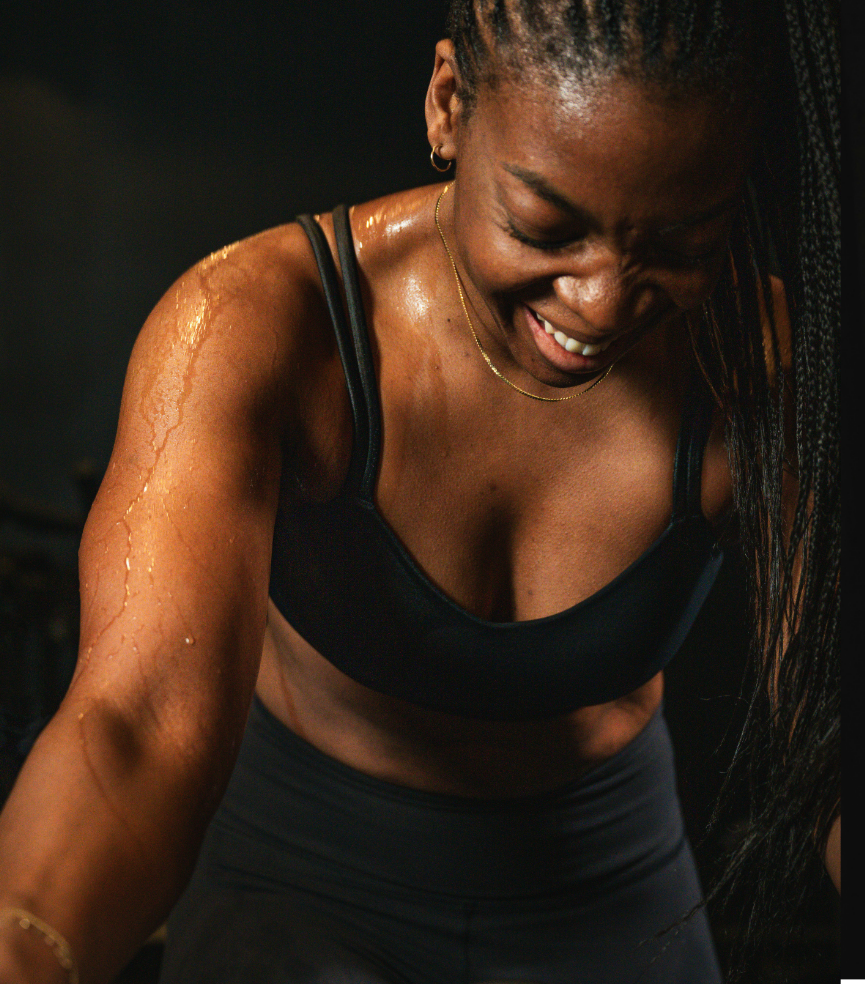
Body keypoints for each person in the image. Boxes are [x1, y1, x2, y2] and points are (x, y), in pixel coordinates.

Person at [0, 0, 840, 982]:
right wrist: (28, 946)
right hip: (298, 879)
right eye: (545, 225)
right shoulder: (257, 328)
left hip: (606, 879)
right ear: (447, 106)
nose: (602, 300)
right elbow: (137, 727)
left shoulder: (761, 365)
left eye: (677, 244)